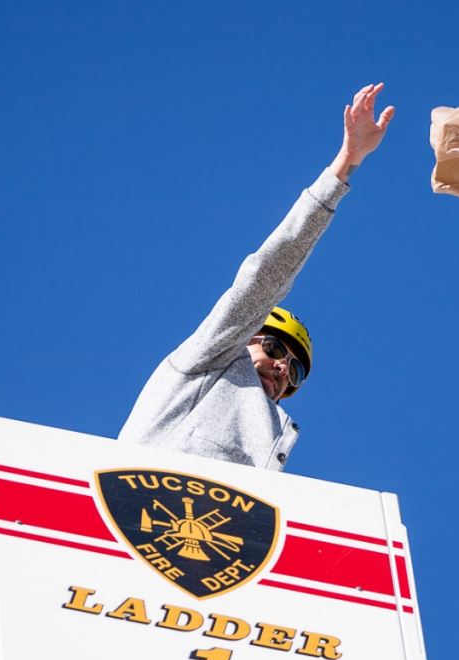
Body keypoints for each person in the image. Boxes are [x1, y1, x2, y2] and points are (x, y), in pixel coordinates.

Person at [118, 84, 395, 471]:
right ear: (245, 336)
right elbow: (266, 273)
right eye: (276, 350)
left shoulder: (269, 432)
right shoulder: (204, 363)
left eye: (295, 371)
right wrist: (346, 163)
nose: (284, 369)